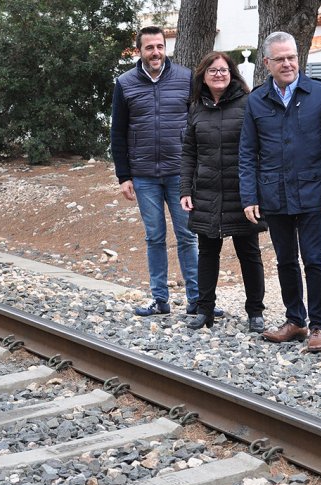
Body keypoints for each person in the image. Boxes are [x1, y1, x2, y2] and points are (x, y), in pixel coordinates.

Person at [238, 31, 321, 352]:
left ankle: (318, 326)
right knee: (285, 260)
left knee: (314, 259)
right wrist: (249, 196)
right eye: (280, 59)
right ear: (267, 62)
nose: (288, 64)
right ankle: (295, 320)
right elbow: (247, 152)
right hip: (275, 195)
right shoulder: (257, 100)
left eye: (292, 57)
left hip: (313, 193)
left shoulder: (320, 94)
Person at [110, 26, 200, 317]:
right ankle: (160, 300)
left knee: (187, 236)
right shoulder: (124, 83)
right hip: (144, 175)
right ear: (139, 51)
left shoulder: (185, 78)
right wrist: (124, 176)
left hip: (180, 174)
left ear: (165, 47)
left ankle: (197, 300)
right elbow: (118, 132)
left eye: (160, 46)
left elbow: (198, 125)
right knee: (154, 238)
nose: (156, 52)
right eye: (149, 48)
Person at [180, 52, 267, 332]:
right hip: (205, 192)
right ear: (203, 76)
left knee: (249, 254)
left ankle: (255, 312)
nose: (219, 74)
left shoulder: (248, 103)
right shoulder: (196, 107)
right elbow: (189, 153)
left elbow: (259, 149)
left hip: (241, 193)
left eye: (224, 70)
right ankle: (204, 310)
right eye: (213, 70)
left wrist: (255, 191)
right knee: (207, 253)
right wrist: (185, 189)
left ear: (232, 74)